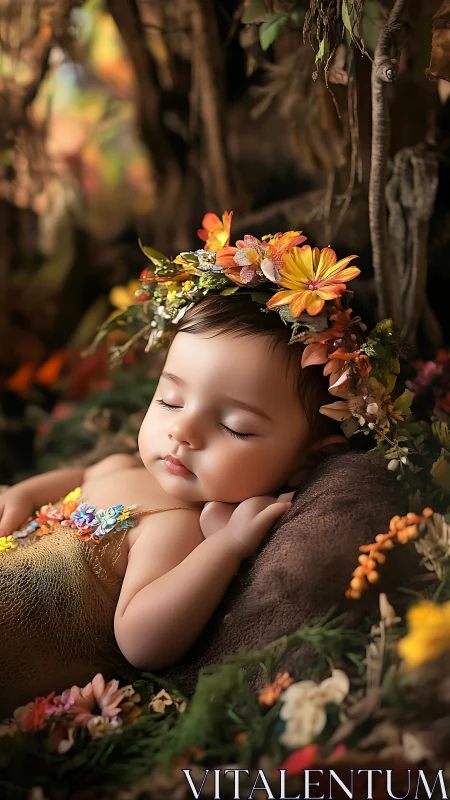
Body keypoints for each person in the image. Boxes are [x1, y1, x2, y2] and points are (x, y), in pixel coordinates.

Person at [0, 288, 346, 718]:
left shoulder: (176, 528)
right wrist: (26, 493)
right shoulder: (123, 463)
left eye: (234, 426)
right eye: (170, 400)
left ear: (306, 461)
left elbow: (141, 643)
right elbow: (81, 476)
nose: (181, 430)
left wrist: (225, 547)